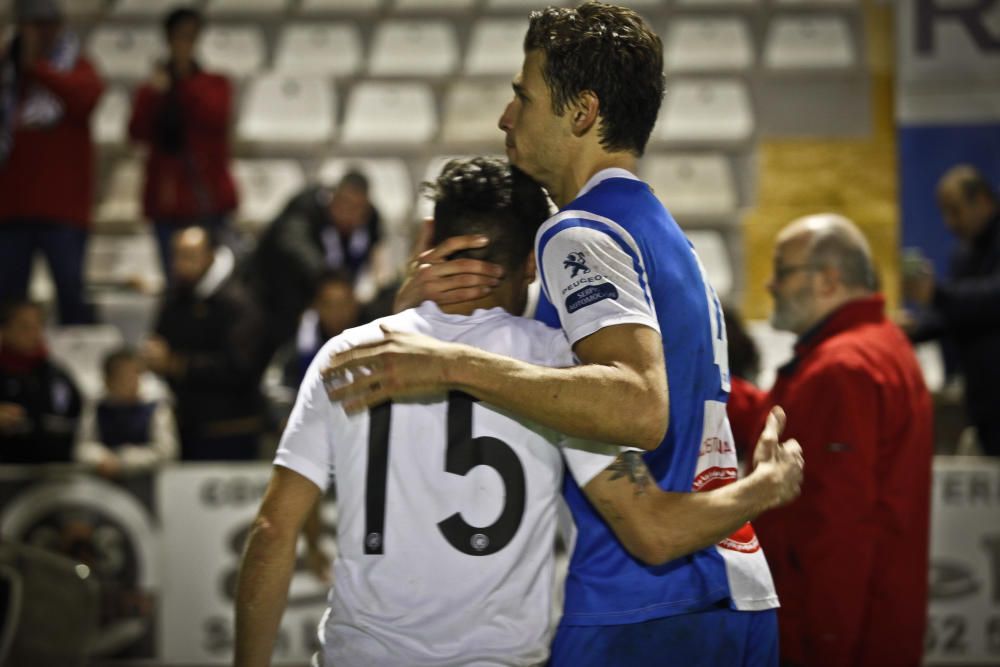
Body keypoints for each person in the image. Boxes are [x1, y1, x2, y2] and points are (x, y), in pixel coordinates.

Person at [324, 5, 782, 664]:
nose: (506, 117)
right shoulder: (664, 235)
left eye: (522, 96)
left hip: (641, 613)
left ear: (582, 112)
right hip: (731, 595)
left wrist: (446, 361)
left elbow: (637, 407)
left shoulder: (578, 232)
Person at [235, 157, 803, 666]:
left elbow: (272, 529)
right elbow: (654, 532)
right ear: (534, 264)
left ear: (429, 236)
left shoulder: (350, 353)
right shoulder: (557, 366)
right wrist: (764, 487)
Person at [728, 213, 933, 667]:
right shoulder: (882, 346)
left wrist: (824, 644)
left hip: (831, 634)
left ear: (828, 280)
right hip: (879, 624)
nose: (770, 284)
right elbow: (793, 421)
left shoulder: (841, 370)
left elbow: (838, 527)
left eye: (782, 271)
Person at [0, 0, 104, 324]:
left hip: (64, 211)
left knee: (71, 295)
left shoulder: (77, 66)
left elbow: (85, 98)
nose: (40, 34)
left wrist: (36, 68)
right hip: (11, 209)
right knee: (9, 302)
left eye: (46, 25)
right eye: (32, 26)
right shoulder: (7, 73)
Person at [128, 6, 237, 279]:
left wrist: (180, 84)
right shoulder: (152, 88)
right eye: (179, 36)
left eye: (190, 37)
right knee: (176, 282)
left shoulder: (214, 84)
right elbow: (136, 132)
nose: (183, 44)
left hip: (207, 199)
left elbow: (216, 117)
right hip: (167, 202)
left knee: (216, 281)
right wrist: (157, 94)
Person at [144, 227, 268, 461]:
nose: (181, 264)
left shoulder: (238, 301)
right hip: (186, 425)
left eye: (190, 256)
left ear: (210, 255)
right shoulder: (176, 299)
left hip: (232, 428)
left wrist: (179, 365)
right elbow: (160, 341)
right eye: (177, 256)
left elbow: (240, 366)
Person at [904, 164, 1000, 456]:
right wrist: (913, 329)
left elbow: (991, 300)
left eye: (955, 210)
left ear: (982, 201)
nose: (949, 222)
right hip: (984, 399)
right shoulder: (964, 253)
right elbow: (954, 314)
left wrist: (937, 294)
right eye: (944, 212)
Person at [242, 171, 391, 350]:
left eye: (356, 209)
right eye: (343, 204)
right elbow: (293, 243)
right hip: (281, 293)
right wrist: (326, 278)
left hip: (336, 297)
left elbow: (376, 252)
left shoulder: (370, 219)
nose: (348, 214)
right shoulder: (306, 207)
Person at [74, 347, 178, 478]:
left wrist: (125, 460)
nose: (132, 381)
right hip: (103, 481)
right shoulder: (97, 407)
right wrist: (100, 458)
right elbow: (82, 447)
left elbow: (166, 452)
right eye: (123, 376)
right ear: (108, 381)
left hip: (148, 481)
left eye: (135, 373)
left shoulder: (156, 406)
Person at [0, 300, 82, 463]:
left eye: (38, 326)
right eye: (24, 327)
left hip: (51, 473)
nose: (33, 333)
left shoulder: (56, 375)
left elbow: (73, 419)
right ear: (5, 330)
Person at [276, 270, 361, 391]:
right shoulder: (300, 347)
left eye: (343, 304)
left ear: (355, 304)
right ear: (317, 307)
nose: (338, 313)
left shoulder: (371, 339)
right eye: (330, 305)